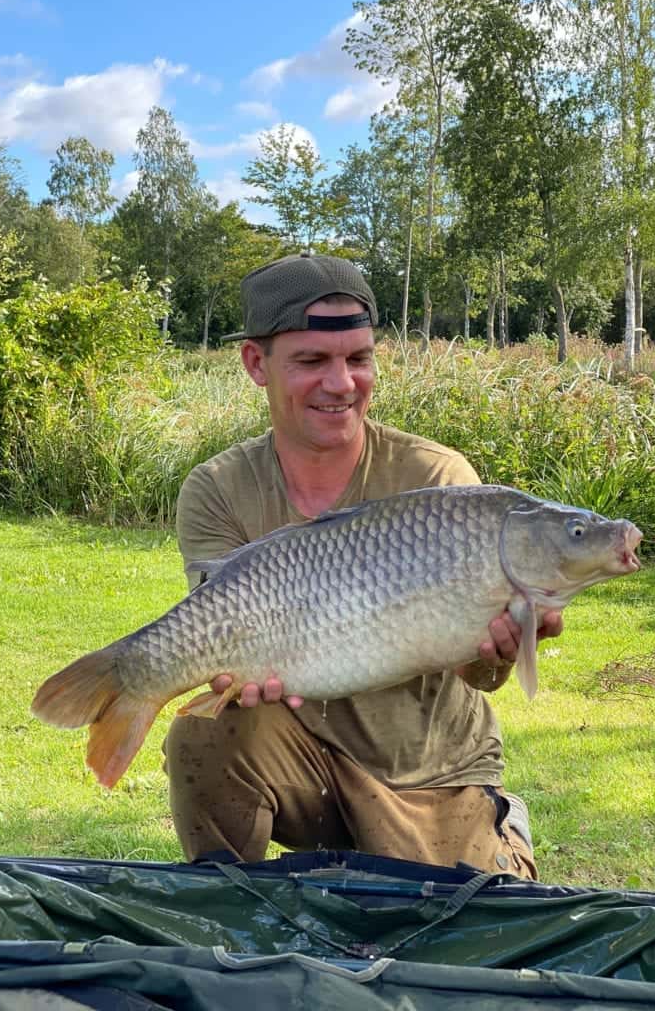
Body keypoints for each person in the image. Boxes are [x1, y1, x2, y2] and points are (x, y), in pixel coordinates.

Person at [164, 253, 562, 878]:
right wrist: (223, 669)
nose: (342, 384)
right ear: (255, 364)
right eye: (312, 361)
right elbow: (221, 631)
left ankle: (497, 830)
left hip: (426, 767)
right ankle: (232, 910)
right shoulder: (217, 489)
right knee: (204, 737)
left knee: (460, 938)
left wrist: (502, 648)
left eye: (358, 359)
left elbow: (482, 678)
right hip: (298, 756)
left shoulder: (437, 480)